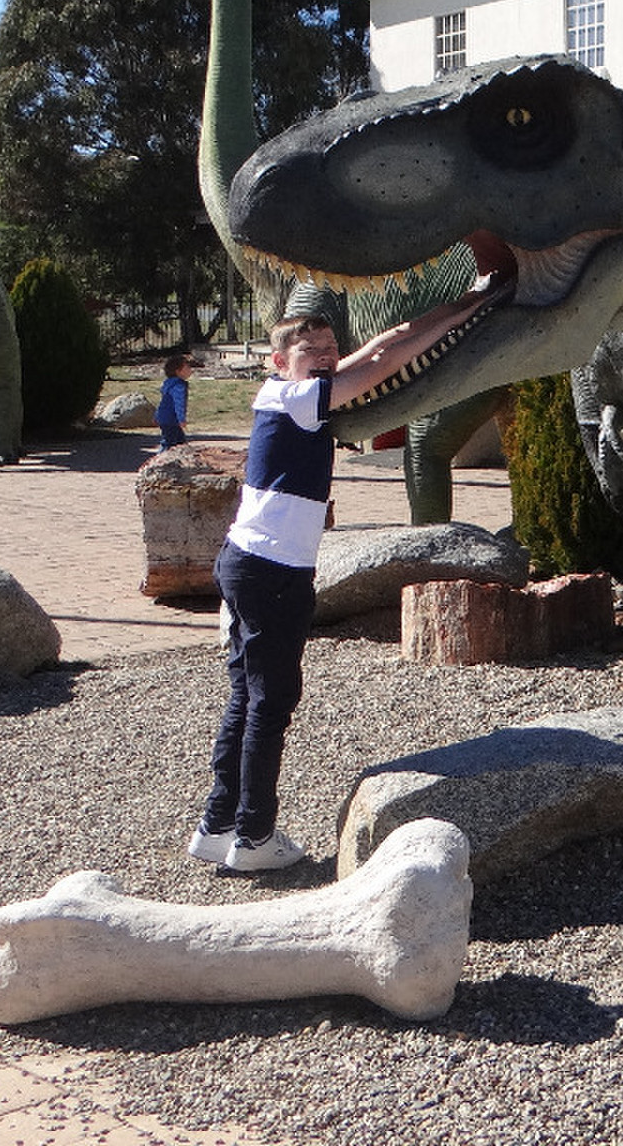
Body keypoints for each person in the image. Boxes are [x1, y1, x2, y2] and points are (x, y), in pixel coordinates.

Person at [187, 311, 426, 872]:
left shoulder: (282, 394)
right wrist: (437, 326)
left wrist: (424, 323)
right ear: (278, 362)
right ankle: (254, 837)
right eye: (308, 349)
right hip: (272, 571)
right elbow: (386, 362)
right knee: (270, 703)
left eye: (328, 347)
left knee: (246, 697)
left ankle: (218, 826)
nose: (322, 356)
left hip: (247, 562)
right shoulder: (298, 398)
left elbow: (377, 352)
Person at [154, 352, 193, 451]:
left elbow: (163, 403)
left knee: (180, 442)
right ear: (178, 371)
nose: (190, 370)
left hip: (165, 417)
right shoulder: (178, 386)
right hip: (171, 419)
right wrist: (181, 419)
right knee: (169, 442)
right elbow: (179, 403)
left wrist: (156, 416)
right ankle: (160, 459)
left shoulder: (169, 384)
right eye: (187, 367)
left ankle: (181, 460)